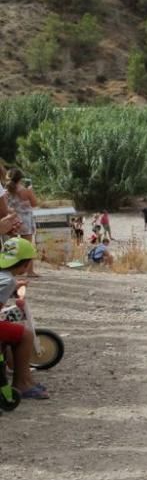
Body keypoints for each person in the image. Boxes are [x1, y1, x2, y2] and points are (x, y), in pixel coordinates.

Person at [0, 237, 48, 399]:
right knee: (25, 335)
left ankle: (23, 377)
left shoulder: (5, 277)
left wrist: (15, 287)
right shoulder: (7, 281)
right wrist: (14, 286)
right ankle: (22, 384)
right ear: (26, 264)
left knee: (9, 330)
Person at [5, 169, 38, 277]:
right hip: (25, 221)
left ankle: (10, 270)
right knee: (27, 246)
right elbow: (34, 204)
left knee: (11, 246)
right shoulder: (26, 191)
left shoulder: (5, 191)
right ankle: (30, 271)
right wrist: (31, 191)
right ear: (20, 179)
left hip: (12, 220)